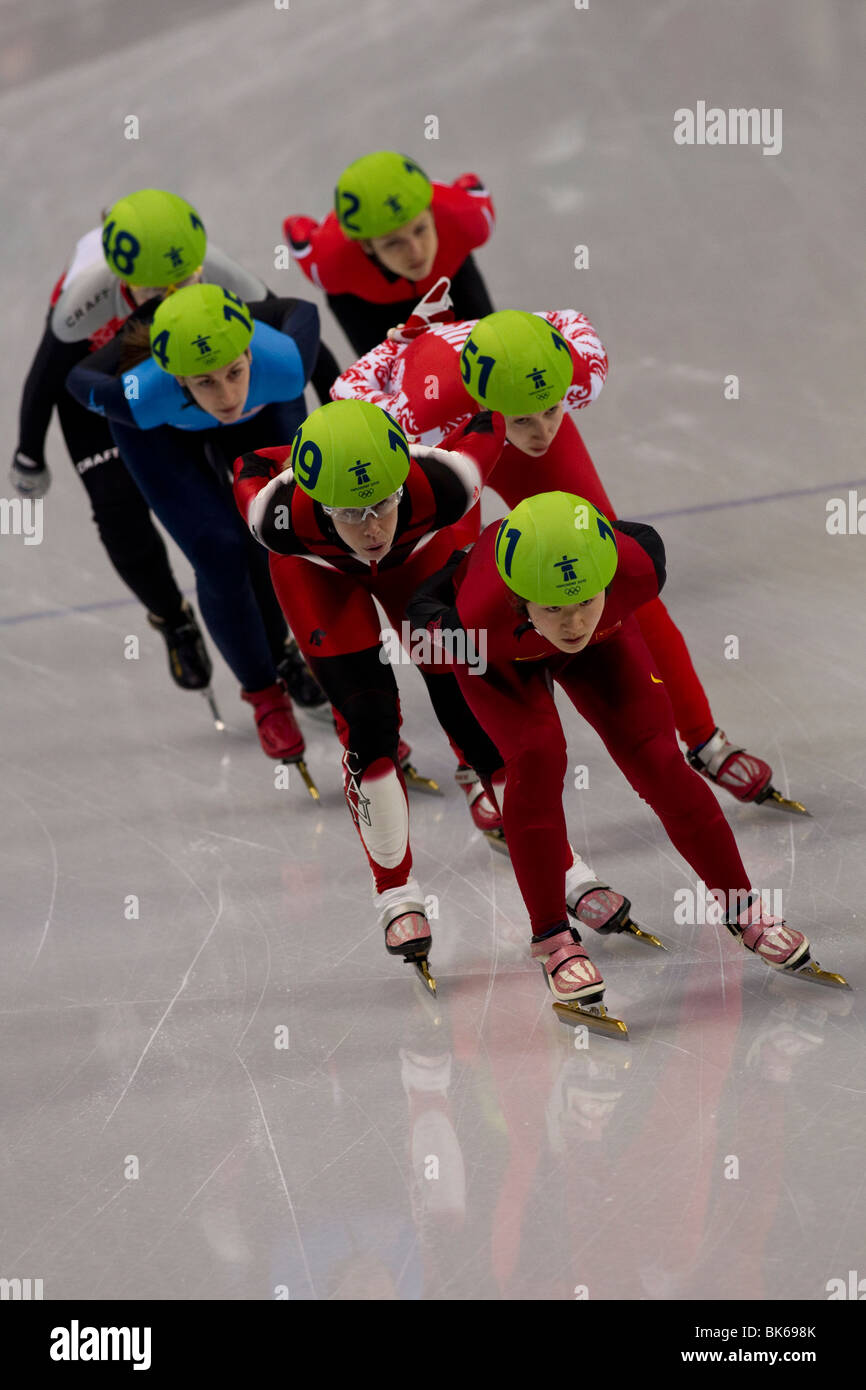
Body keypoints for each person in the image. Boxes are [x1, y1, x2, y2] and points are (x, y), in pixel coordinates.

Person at [333, 299, 808, 815]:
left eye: (553, 410)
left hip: (485, 400)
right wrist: (393, 349)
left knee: (618, 575)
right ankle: (476, 762)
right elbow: (345, 394)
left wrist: (536, 366)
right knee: (457, 619)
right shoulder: (418, 415)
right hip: (453, 444)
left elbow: (567, 316)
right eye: (524, 420)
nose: (542, 433)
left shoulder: (580, 372)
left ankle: (703, 737)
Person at [407, 491, 847, 1033]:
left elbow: (633, 541)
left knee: (660, 763)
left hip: (605, 643)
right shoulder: (471, 625)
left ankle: (743, 907)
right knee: (538, 761)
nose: (572, 624)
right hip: (504, 659)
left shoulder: (633, 572)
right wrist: (480, 764)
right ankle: (551, 939)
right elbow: (427, 633)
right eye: (554, 609)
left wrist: (582, 612)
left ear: (607, 580)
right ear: (521, 602)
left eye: (584, 601)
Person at [233, 398, 586, 990]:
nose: (371, 527)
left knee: (470, 712)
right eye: (351, 512)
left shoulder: (448, 482)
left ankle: (563, 864)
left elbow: (489, 416)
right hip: (319, 578)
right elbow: (250, 459)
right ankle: (395, 891)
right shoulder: (273, 514)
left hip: (419, 562)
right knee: (368, 725)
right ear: (316, 501)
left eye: (383, 504)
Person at [65, 282, 332, 778]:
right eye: (206, 382)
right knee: (218, 551)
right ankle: (263, 694)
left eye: (233, 372)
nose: (227, 396)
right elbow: (75, 380)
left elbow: (303, 309)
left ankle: (310, 664)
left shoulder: (286, 362)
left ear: (250, 348)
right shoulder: (139, 395)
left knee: (289, 533)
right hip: (162, 431)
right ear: (175, 375)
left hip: (266, 404)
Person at [283, 151, 495, 355]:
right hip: (365, 305)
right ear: (366, 246)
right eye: (393, 243)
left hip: (452, 278)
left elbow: (471, 183)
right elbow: (295, 228)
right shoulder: (330, 266)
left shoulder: (470, 220)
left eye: (420, 229)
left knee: (492, 350)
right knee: (389, 385)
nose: (416, 251)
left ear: (432, 213)